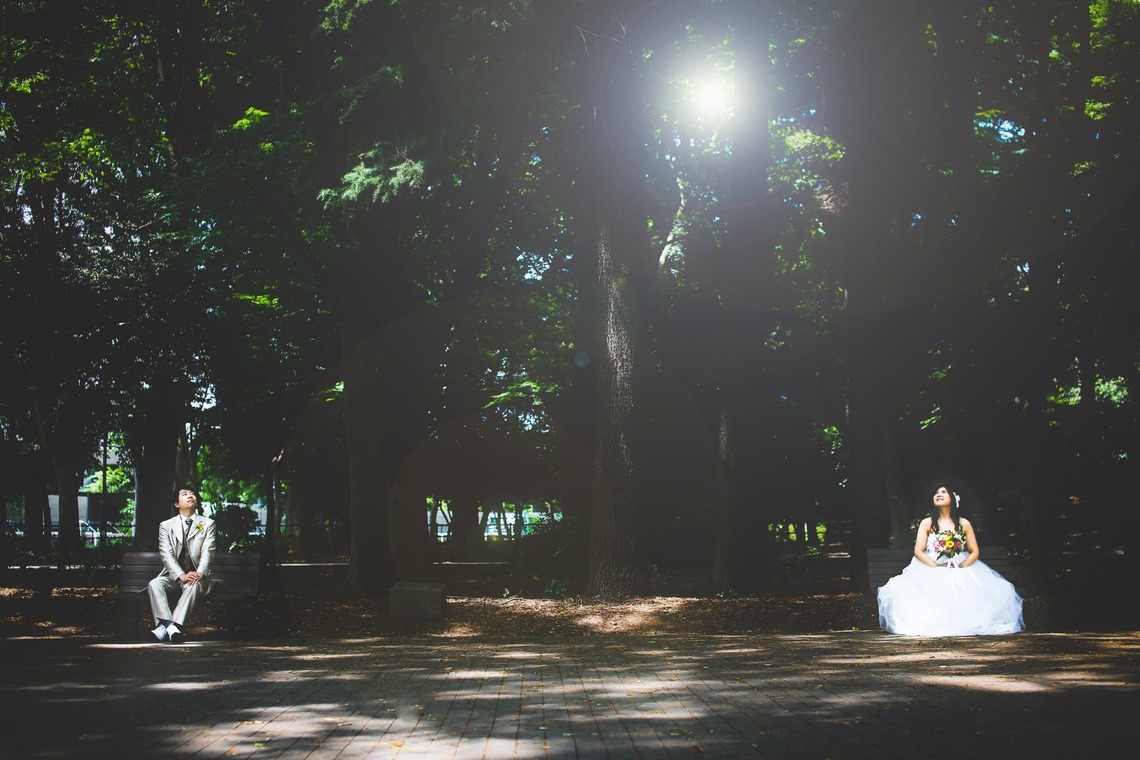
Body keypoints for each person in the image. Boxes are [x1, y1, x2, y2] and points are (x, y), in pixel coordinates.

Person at [877, 485, 1023, 636]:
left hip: (959, 563)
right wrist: (936, 566)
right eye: (936, 492)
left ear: (953, 499)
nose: (938, 494)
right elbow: (918, 551)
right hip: (932, 563)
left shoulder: (963, 523)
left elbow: (974, 552)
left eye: (943, 492)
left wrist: (962, 566)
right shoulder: (927, 523)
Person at [147, 486, 216, 642]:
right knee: (155, 584)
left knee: (193, 584)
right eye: (184, 494)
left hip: (197, 577)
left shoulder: (207, 523)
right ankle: (168, 625)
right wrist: (181, 575)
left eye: (192, 494)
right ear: (176, 504)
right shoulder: (166, 525)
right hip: (175, 576)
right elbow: (166, 554)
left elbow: (208, 551)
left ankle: (173, 627)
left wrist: (199, 573)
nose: (190, 496)